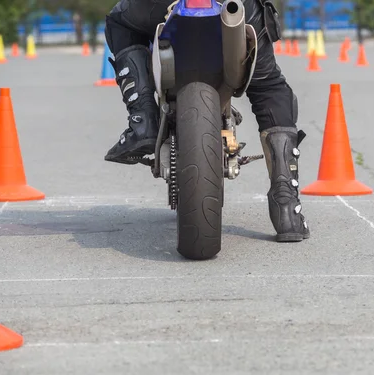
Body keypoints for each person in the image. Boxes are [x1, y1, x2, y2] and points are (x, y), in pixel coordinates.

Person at [104, 0, 310, 242]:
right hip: (234, 6)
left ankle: (143, 119)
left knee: (120, 22)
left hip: (160, 5)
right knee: (268, 87)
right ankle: (285, 203)